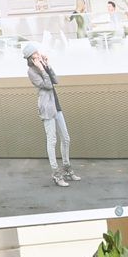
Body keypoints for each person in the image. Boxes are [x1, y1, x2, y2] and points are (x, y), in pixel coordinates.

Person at [22, 42, 76, 187]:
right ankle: (56, 174)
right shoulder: (32, 72)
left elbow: (55, 80)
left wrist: (47, 65)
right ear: (30, 59)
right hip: (46, 107)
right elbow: (47, 85)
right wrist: (41, 69)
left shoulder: (43, 66)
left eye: (38, 53)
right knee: (52, 140)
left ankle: (67, 169)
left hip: (56, 105)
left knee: (66, 138)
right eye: (35, 55)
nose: (38, 55)